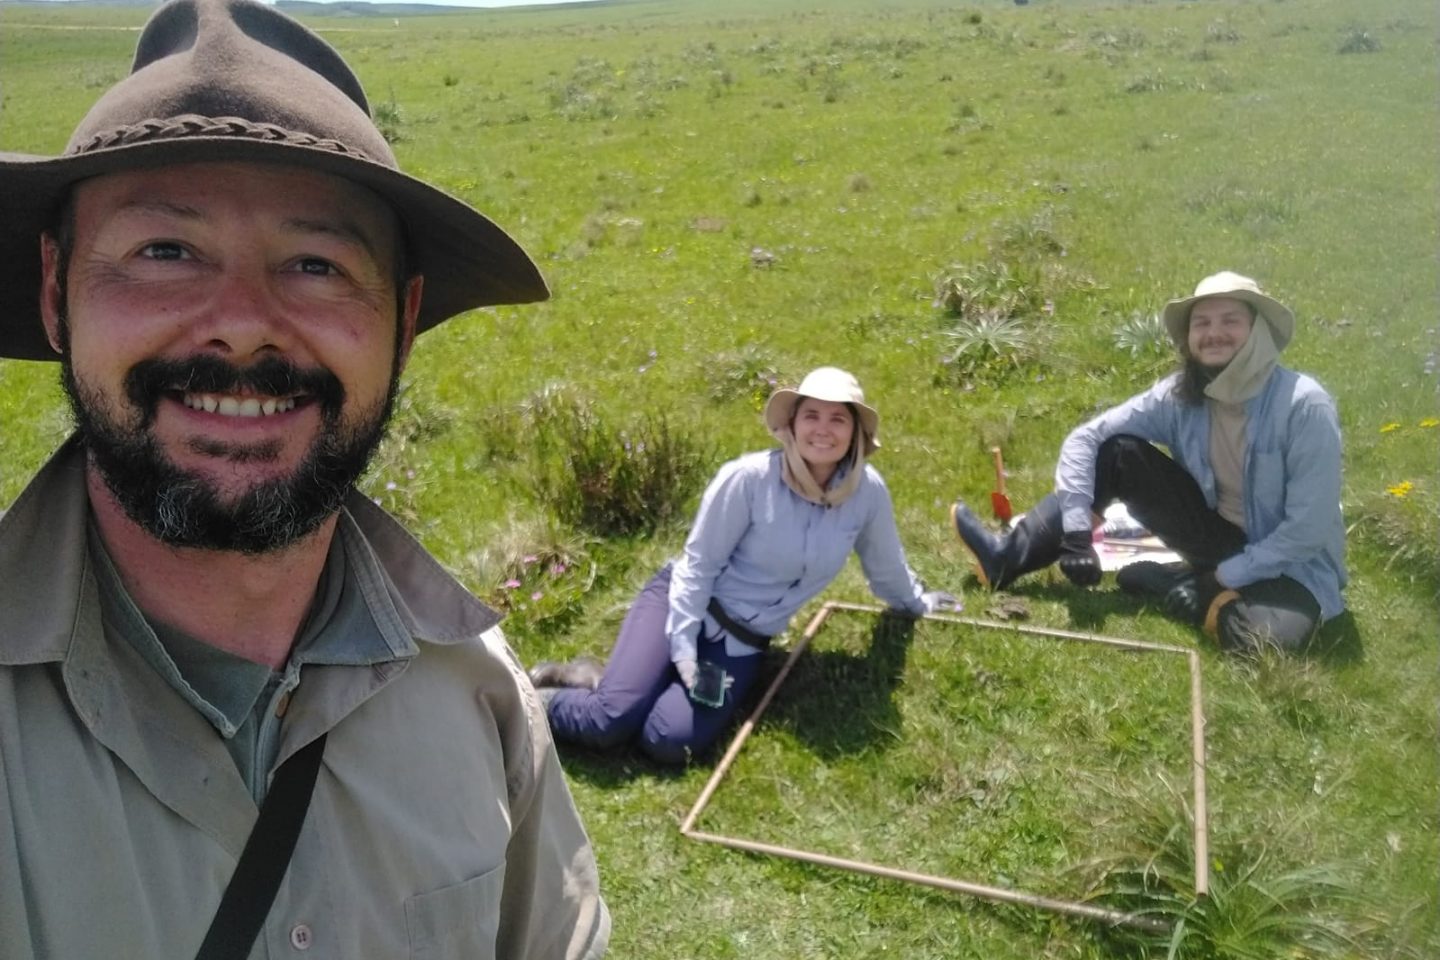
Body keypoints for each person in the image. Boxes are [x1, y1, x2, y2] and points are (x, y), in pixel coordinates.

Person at [0, 2, 609, 957]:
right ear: (54, 292)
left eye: (316, 263)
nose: (242, 324)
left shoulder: (478, 693)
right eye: (165, 251)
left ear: (402, 323)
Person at [532, 367, 957, 763]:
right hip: (679, 604)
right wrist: (682, 649)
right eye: (811, 415)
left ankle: (611, 682)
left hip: (740, 642)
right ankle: (541, 698)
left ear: (856, 434)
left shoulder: (868, 494)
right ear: (791, 425)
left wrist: (916, 603)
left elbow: (886, 567)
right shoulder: (747, 478)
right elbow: (699, 566)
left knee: (667, 741)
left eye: (838, 419)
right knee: (607, 722)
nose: (822, 430)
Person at [950, 272, 1346, 654]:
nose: (1214, 333)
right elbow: (1086, 438)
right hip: (1215, 537)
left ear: (1258, 330)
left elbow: (1306, 531)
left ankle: (1182, 585)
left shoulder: (1304, 406)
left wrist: (1220, 579)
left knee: (1265, 641)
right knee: (1118, 452)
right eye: (1201, 323)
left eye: (1231, 321)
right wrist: (1075, 534)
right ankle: (1004, 559)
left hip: (1291, 565)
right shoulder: (1178, 395)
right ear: (1189, 338)